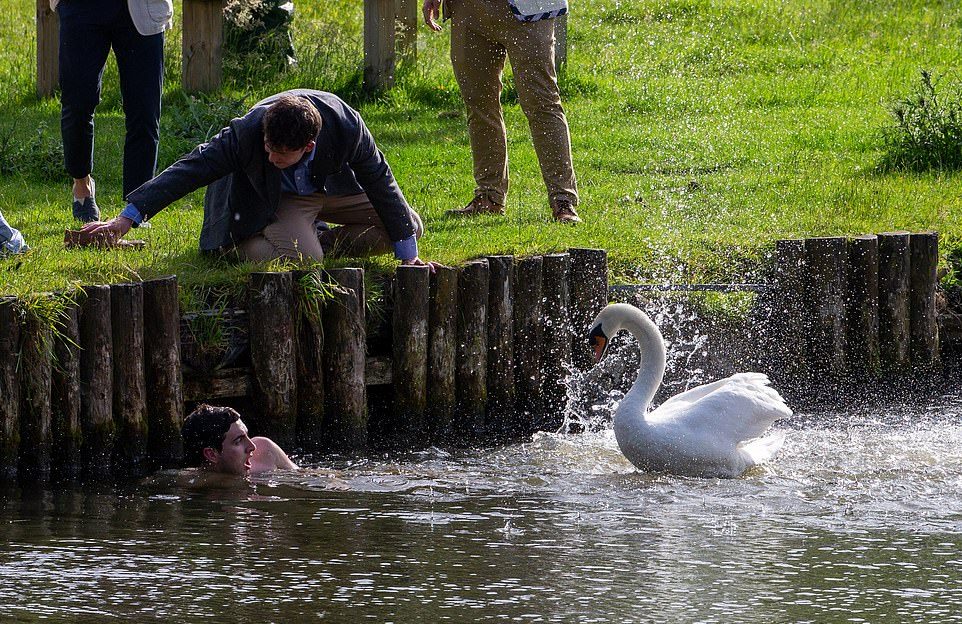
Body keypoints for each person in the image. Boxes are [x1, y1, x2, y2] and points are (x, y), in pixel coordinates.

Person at [81, 90, 434, 267]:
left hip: (326, 190)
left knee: (409, 228)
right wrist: (128, 217)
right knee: (306, 262)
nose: (270, 156)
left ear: (308, 146)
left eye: (280, 155)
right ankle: (251, 244)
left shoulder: (346, 126)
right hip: (276, 201)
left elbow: (380, 180)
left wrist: (409, 259)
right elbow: (189, 169)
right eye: (268, 147)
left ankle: (318, 239)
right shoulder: (246, 133)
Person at [423, 0, 581, 223]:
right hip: (468, 9)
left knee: (542, 105)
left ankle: (563, 199)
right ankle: (489, 195)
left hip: (528, 9)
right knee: (480, 107)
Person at [53, 0, 172, 223]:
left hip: (141, 9)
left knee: (144, 110)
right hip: (81, 8)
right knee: (77, 102)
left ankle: (138, 203)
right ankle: (82, 186)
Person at [181, 404, 298, 477]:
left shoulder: (265, 451)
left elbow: (304, 476)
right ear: (212, 454)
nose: (252, 446)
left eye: (247, 435)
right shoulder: (191, 483)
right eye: (238, 441)